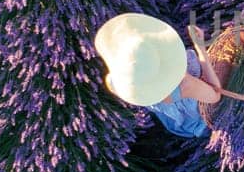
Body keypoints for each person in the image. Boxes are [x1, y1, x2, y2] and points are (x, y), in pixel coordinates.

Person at [93, 13, 221, 139]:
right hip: (199, 122)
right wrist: (201, 48)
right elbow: (215, 94)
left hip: (175, 122)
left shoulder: (120, 80)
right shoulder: (185, 83)